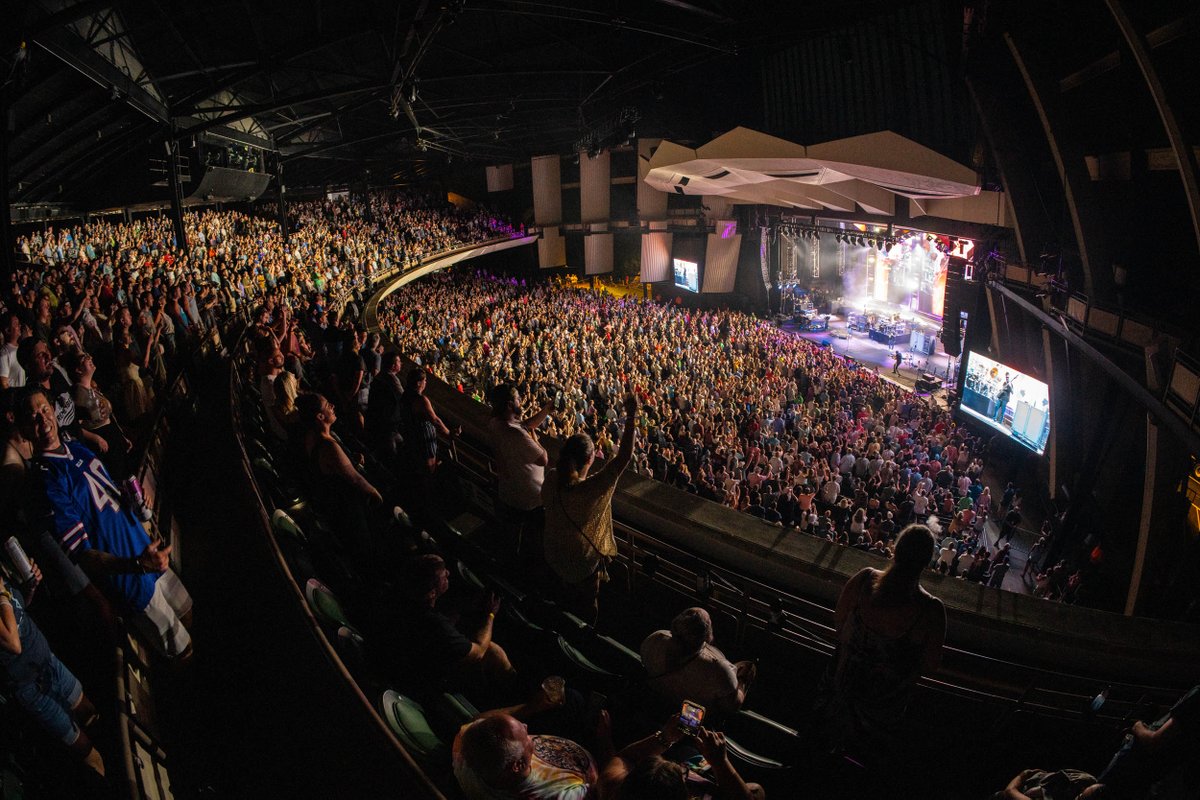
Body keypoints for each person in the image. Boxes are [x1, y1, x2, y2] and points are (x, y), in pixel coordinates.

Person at [21, 387, 192, 660]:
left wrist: (132, 497)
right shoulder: (47, 481)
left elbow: (108, 494)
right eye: (33, 418)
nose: (43, 420)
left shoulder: (75, 446)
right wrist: (136, 566)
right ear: (25, 430)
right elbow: (83, 556)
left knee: (187, 611)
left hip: (148, 550)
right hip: (132, 576)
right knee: (181, 651)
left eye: (44, 409)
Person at [815, 523, 946, 749]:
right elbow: (931, 664)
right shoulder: (931, 611)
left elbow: (839, 621)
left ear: (895, 550)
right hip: (880, 714)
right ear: (926, 563)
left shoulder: (864, 579)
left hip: (835, 694)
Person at [0, 563, 106, 776]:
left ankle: (114, 750)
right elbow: (12, 641)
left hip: (47, 661)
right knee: (84, 748)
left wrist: (29, 587)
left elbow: (20, 610)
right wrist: (1, 591)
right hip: (31, 687)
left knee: (88, 710)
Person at [542, 394, 638, 625]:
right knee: (587, 602)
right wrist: (632, 414)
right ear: (589, 460)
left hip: (552, 554)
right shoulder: (589, 491)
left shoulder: (553, 477)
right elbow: (623, 457)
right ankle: (584, 635)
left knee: (562, 595)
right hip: (580, 564)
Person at [295, 392, 383, 564]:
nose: (333, 406)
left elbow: (334, 468)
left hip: (333, 504)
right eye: (328, 405)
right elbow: (355, 479)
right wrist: (375, 493)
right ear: (320, 416)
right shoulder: (328, 445)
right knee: (364, 550)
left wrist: (351, 461)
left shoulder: (310, 435)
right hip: (347, 508)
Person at [640, 607, 756, 719]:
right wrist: (742, 681)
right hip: (693, 720)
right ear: (707, 635)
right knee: (748, 667)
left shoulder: (655, 638)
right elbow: (732, 705)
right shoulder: (718, 669)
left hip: (657, 705)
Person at [453, 711, 597, 800]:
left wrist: (532, 706)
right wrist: (605, 741)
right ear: (517, 765)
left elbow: (476, 722)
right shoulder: (557, 796)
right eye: (524, 735)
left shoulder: (464, 757)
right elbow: (606, 789)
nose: (526, 725)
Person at [486, 383, 551, 558]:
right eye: (518, 399)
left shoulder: (495, 423)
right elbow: (543, 458)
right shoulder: (516, 435)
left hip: (508, 491)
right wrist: (534, 437)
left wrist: (546, 410)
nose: (521, 401)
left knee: (511, 538)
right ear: (509, 404)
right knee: (532, 543)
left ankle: (511, 563)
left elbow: (525, 424)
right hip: (529, 501)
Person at [399, 367, 457, 474]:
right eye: (424, 380)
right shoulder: (421, 400)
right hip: (423, 440)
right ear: (418, 383)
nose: (426, 383)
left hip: (411, 437)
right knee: (427, 471)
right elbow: (435, 420)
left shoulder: (405, 395)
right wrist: (449, 433)